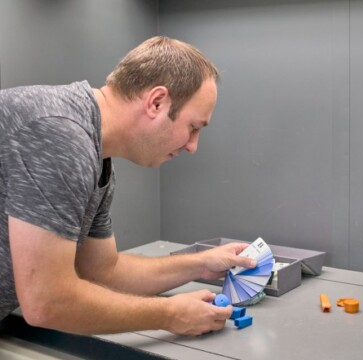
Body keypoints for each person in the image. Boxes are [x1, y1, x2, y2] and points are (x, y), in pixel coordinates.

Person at [0, 36, 256, 336]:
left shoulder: (97, 156)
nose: (192, 146)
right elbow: (46, 302)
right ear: (156, 102)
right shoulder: (60, 135)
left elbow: (103, 271)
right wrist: (170, 314)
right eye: (193, 127)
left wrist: (201, 265)